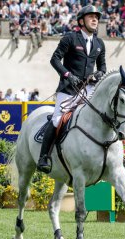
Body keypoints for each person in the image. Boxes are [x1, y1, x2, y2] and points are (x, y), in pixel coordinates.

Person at [37, 5, 106, 173]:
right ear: (81, 21)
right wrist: (68, 75)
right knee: (57, 119)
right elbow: (55, 60)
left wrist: (99, 74)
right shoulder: (70, 38)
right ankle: (44, 156)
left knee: (104, 117)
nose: (95, 19)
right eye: (91, 17)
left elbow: (103, 66)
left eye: (96, 17)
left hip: (90, 90)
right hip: (69, 89)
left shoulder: (99, 43)